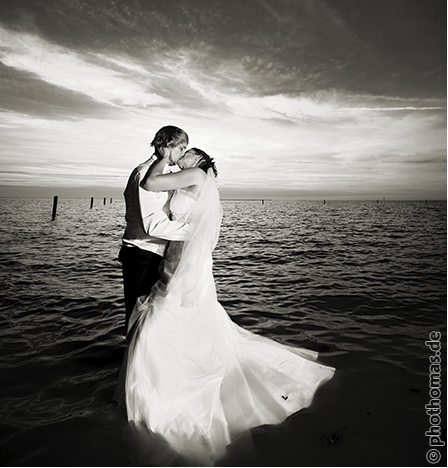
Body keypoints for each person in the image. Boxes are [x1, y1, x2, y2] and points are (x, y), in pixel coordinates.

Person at [122, 147, 335, 462]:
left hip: (186, 258)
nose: (184, 155)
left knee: (166, 317)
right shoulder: (195, 178)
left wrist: (162, 157)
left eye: (188, 152)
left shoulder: (195, 174)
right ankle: (168, 374)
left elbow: (153, 187)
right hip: (183, 255)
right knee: (180, 317)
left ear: (200, 161)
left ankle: (161, 389)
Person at [119, 125, 191, 339]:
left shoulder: (167, 173)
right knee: (138, 313)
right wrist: (192, 232)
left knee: (155, 316)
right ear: (168, 146)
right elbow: (152, 225)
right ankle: (131, 366)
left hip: (159, 253)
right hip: (141, 253)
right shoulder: (143, 173)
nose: (183, 154)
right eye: (182, 148)